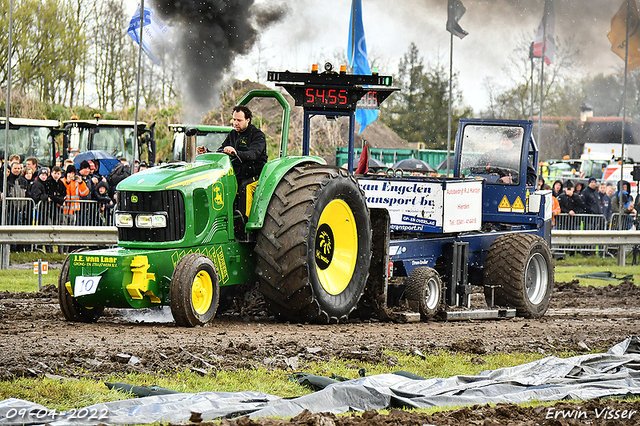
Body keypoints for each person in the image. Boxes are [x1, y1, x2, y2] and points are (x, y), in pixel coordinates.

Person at [217, 105, 268, 219]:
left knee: (245, 187)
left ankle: (244, 221)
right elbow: (221, 150)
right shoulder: (233, 134)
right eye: (234, 120)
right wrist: (207, 152)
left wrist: (236, 152)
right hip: (238, 174)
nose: (235, 123)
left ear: (247, 120)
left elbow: (253, 154)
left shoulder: (257, 135)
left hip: (256, 175)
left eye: (239, 120)